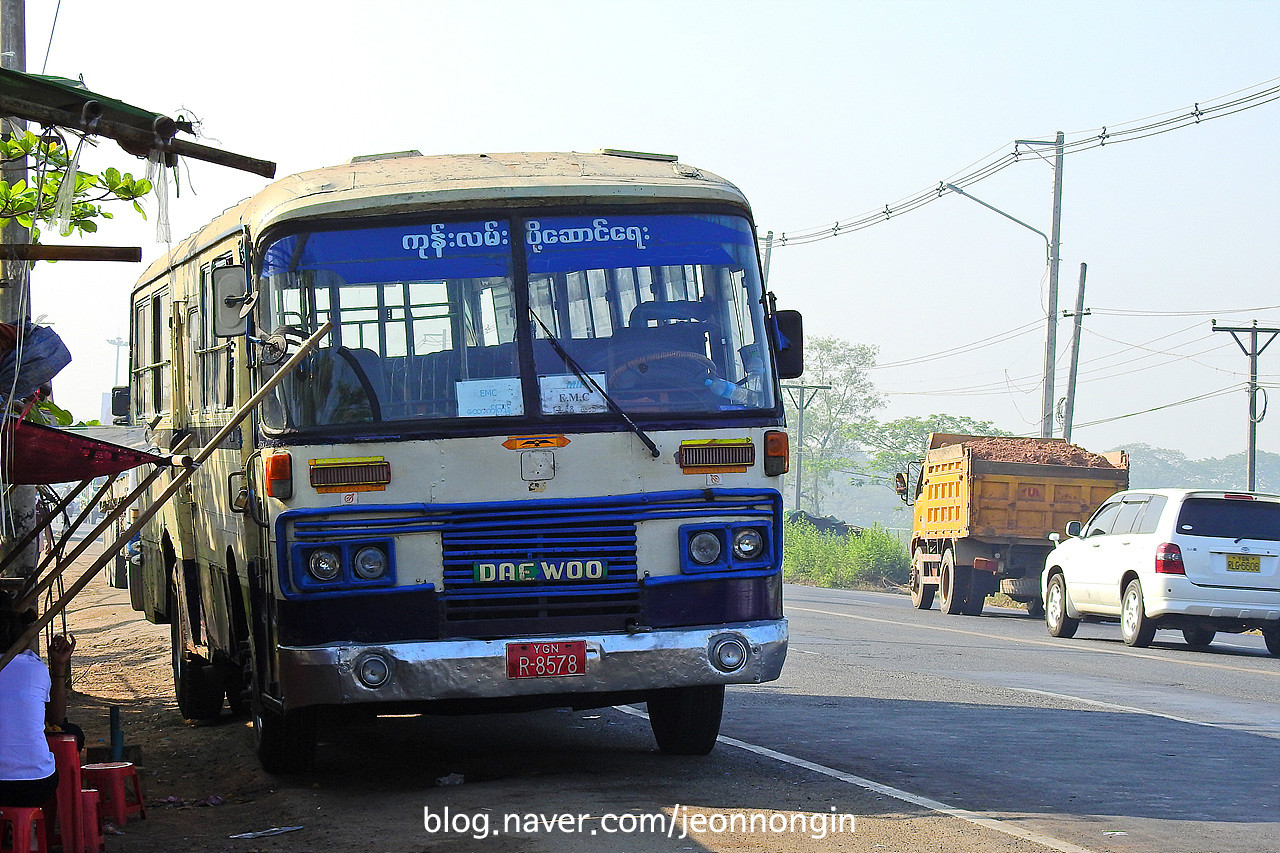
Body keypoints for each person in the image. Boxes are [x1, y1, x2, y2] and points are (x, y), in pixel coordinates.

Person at [0, 600, 76, 807]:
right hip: (36, 783)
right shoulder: (33, 667)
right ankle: (28, 833)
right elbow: (56, 720)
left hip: (23, 782)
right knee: (72, 731)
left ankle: (15, 830)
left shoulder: (31, 667)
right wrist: (59, 666)